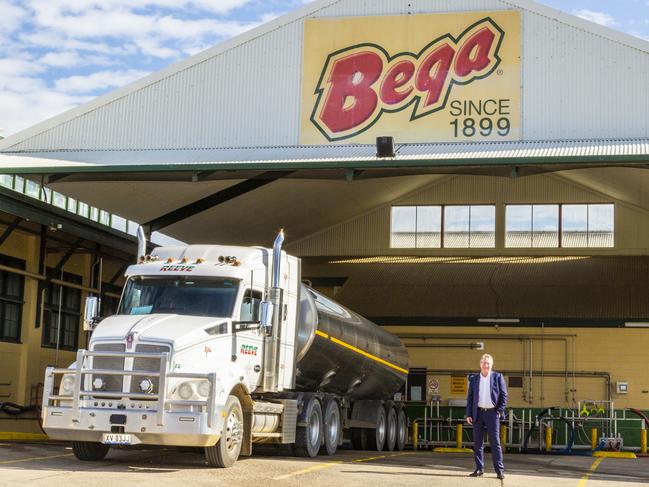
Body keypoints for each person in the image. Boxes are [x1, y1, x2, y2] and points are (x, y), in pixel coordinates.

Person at [465, 353, 508, 480]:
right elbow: (470, 398)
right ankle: (479, 469)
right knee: (478, 443)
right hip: (477, 413)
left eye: (488, 363)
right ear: (480, 364)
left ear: (492, 364)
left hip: (492, 413)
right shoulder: (474, 379)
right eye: (484, 363)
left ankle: (499, 471)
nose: (486, 365)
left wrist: (499, 411)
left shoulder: (497, 377)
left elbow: (504, 395)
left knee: (495, 443)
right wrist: (468, 414)